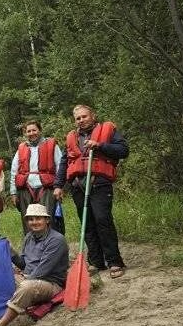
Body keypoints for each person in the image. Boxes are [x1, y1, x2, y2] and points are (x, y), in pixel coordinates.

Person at [54, 104, 129, 278]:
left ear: (93, 116)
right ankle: (96, 262)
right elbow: (65, 162)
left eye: (84, 116)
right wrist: (59, 185)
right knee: (87, 224)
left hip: (99, 184)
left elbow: (123, 150)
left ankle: (114, 261)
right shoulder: (72, 137)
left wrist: (100, 146)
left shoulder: (108, 130)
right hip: (78, 186)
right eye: (78, 118)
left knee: (103, 220)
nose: (81, 120)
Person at [0, 204, 69, 326]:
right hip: (29, 278)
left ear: (47, 220)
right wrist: (11, 252)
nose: (34, 222)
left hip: (51, 284)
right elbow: (24, 265)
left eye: (38, 218)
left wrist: (23, 280)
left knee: (26, 287)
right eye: (31, 219)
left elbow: (43, 270)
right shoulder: (29, 237)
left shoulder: (56, 240)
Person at [10, 120, 64, 235]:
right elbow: (14, 171)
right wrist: (13, 193)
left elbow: (60, 166)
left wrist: (59, 187)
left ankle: (51, 247)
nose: (31, 133)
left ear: (39, 130)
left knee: (47, 219)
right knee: (28, 221)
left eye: (34, 130)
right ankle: (31, 248)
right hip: (26, 189)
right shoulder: (21, 148)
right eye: (28, 131)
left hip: (47, 188)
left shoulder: (51, 145)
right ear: (25, 133)